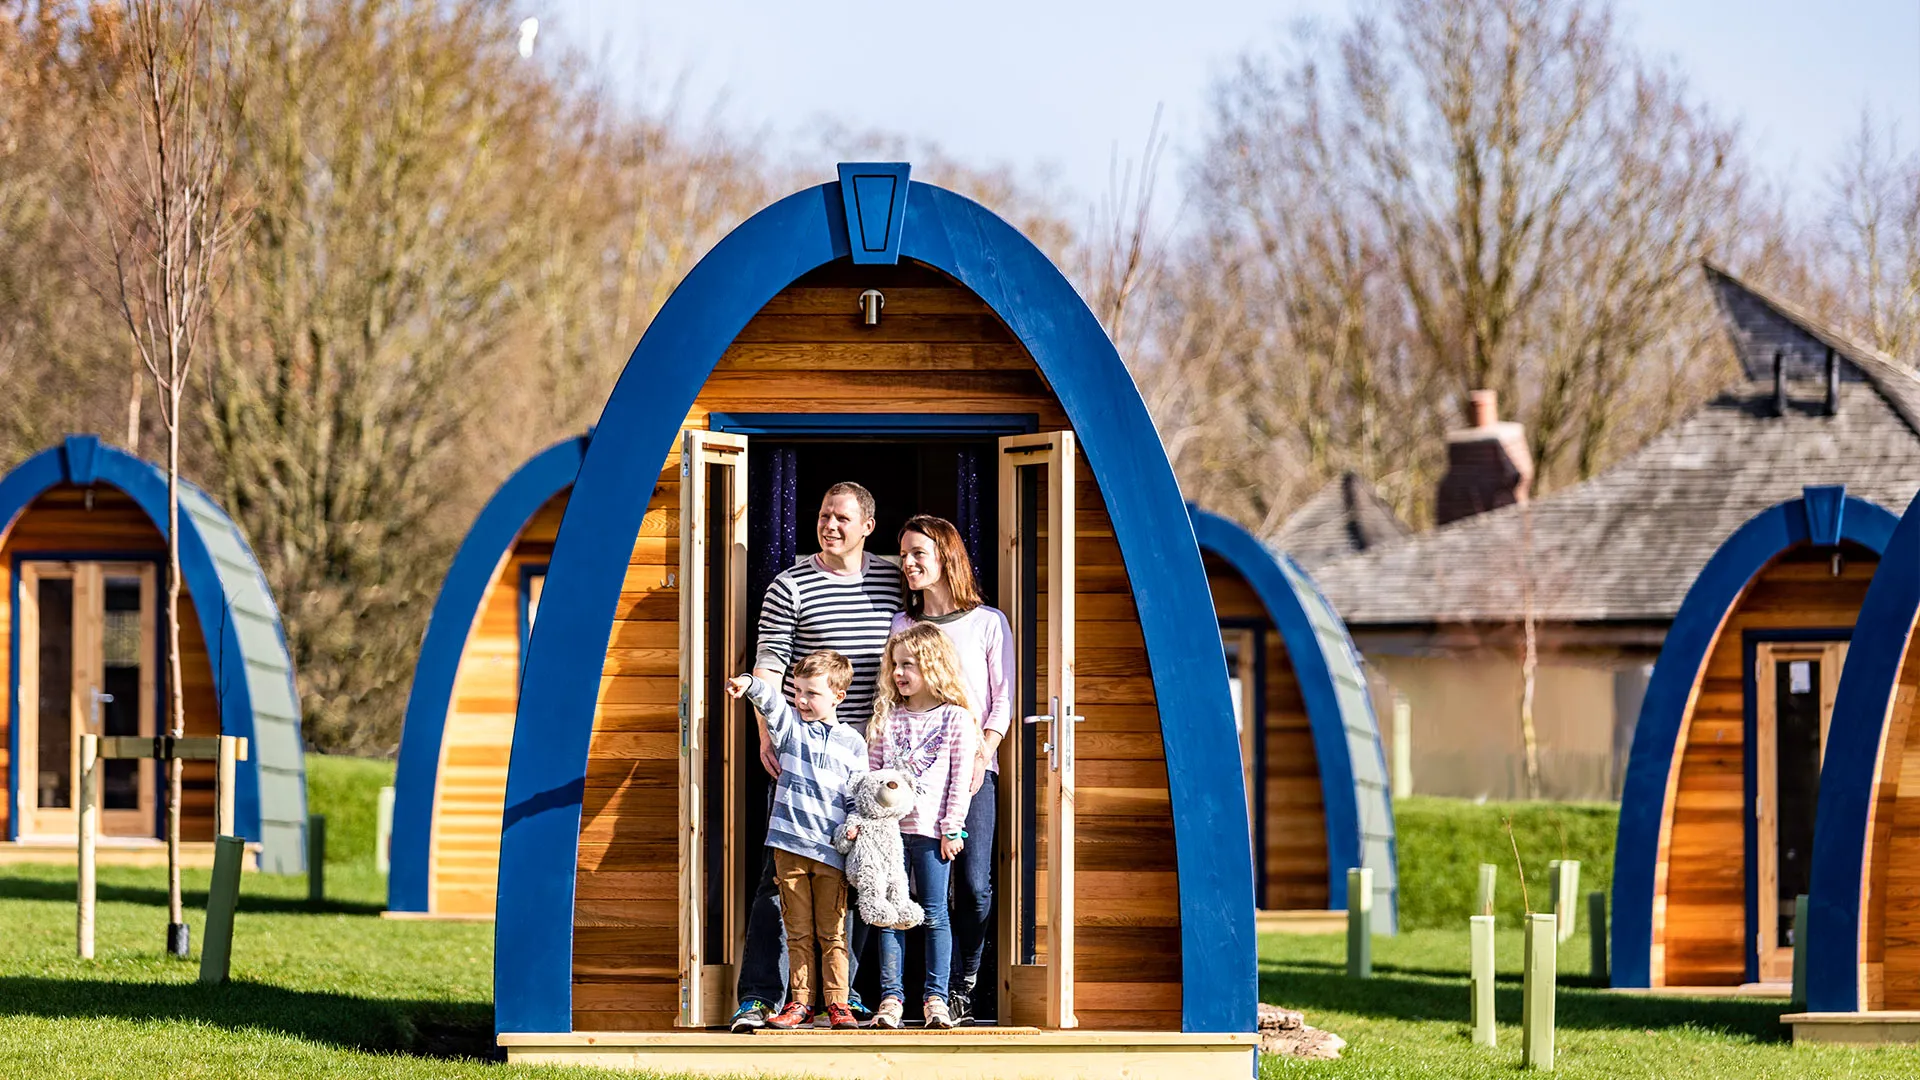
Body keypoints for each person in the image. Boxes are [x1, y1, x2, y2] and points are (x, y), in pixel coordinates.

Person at [730, 482, 906, 1033]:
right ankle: (759, 996)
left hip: (864, 758)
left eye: (842, 518)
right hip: (802, 754)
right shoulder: (791, 586)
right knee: (775, 879)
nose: (830, 525)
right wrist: (767, 734)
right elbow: (769, 665)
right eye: (825, 515)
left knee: (860, 877)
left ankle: (849, 997)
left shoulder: (892, 582)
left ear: (868, 526)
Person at [890, 515, 1012, 1025]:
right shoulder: (902, 624)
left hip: (974, 772)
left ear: (946, 558)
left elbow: (1002, 698)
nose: (908, 563)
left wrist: (984, 751)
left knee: (976, 883)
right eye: (903, 554)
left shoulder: (987, 622)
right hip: (916, 781)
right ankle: (922, 993)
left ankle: (967, 980)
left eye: (919, 553)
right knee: (916, 887)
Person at [725, 650, 869, 1031]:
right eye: (799, 692)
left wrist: (854, 822)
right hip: (789, 848)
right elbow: (771, 703)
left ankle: (838, 1003)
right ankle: (800, 1002)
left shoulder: (853, 742)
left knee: (833, 931)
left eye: (812, 694)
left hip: (830, 853)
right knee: (797, 931)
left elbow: (858, 793)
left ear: (838, 695)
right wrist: (750, 683)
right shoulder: (791, 730)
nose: (802, 701)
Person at [860, 621, 977, 1029]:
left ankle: (936, 999)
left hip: (930, 833)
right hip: (888, 834)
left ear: (933, 666)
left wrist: (952, 827)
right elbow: (871, 778)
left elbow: (959, 780)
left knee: (934, 913)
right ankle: (891, 1000)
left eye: (908, 665)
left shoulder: (955, 719)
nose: (898, 674)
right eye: (894, 665)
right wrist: (865, 825)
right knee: (891, 912)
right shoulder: (887, 718)